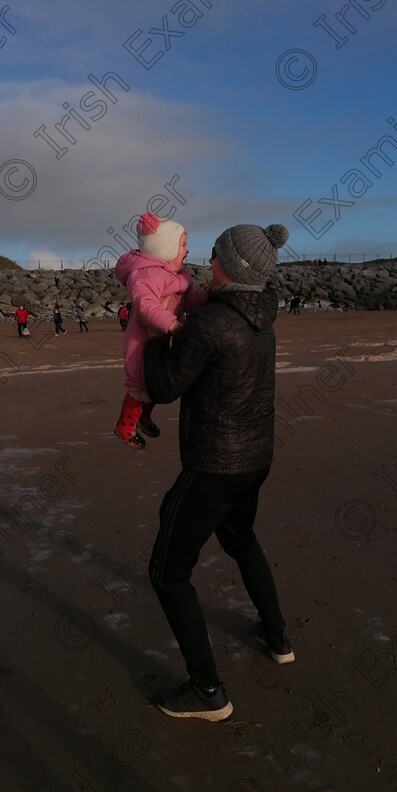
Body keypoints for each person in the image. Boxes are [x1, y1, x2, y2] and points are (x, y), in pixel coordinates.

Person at [143, 222, 294, 722]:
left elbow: (164, 387)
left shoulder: (212, 324)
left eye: (214, 256)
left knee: (167, 572)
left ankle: (208, 690)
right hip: (255, 460)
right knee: (242, 540)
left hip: (214, 465)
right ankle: (277, 638)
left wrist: (149, 334)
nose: (207, 262)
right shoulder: (263, 317)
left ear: (230, 267)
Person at [113, 212, 206, 450]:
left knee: (157, 381)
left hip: (163, 337)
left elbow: (189, 300)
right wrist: (171, 323)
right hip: (142, 339)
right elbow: (145, 306)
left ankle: (143, 417)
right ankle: (125, 427)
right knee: (140, 383)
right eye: (183, 245)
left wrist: (206, 298)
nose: (187, 250)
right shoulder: (146, 274)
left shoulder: (181, 276)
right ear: (166, 249)